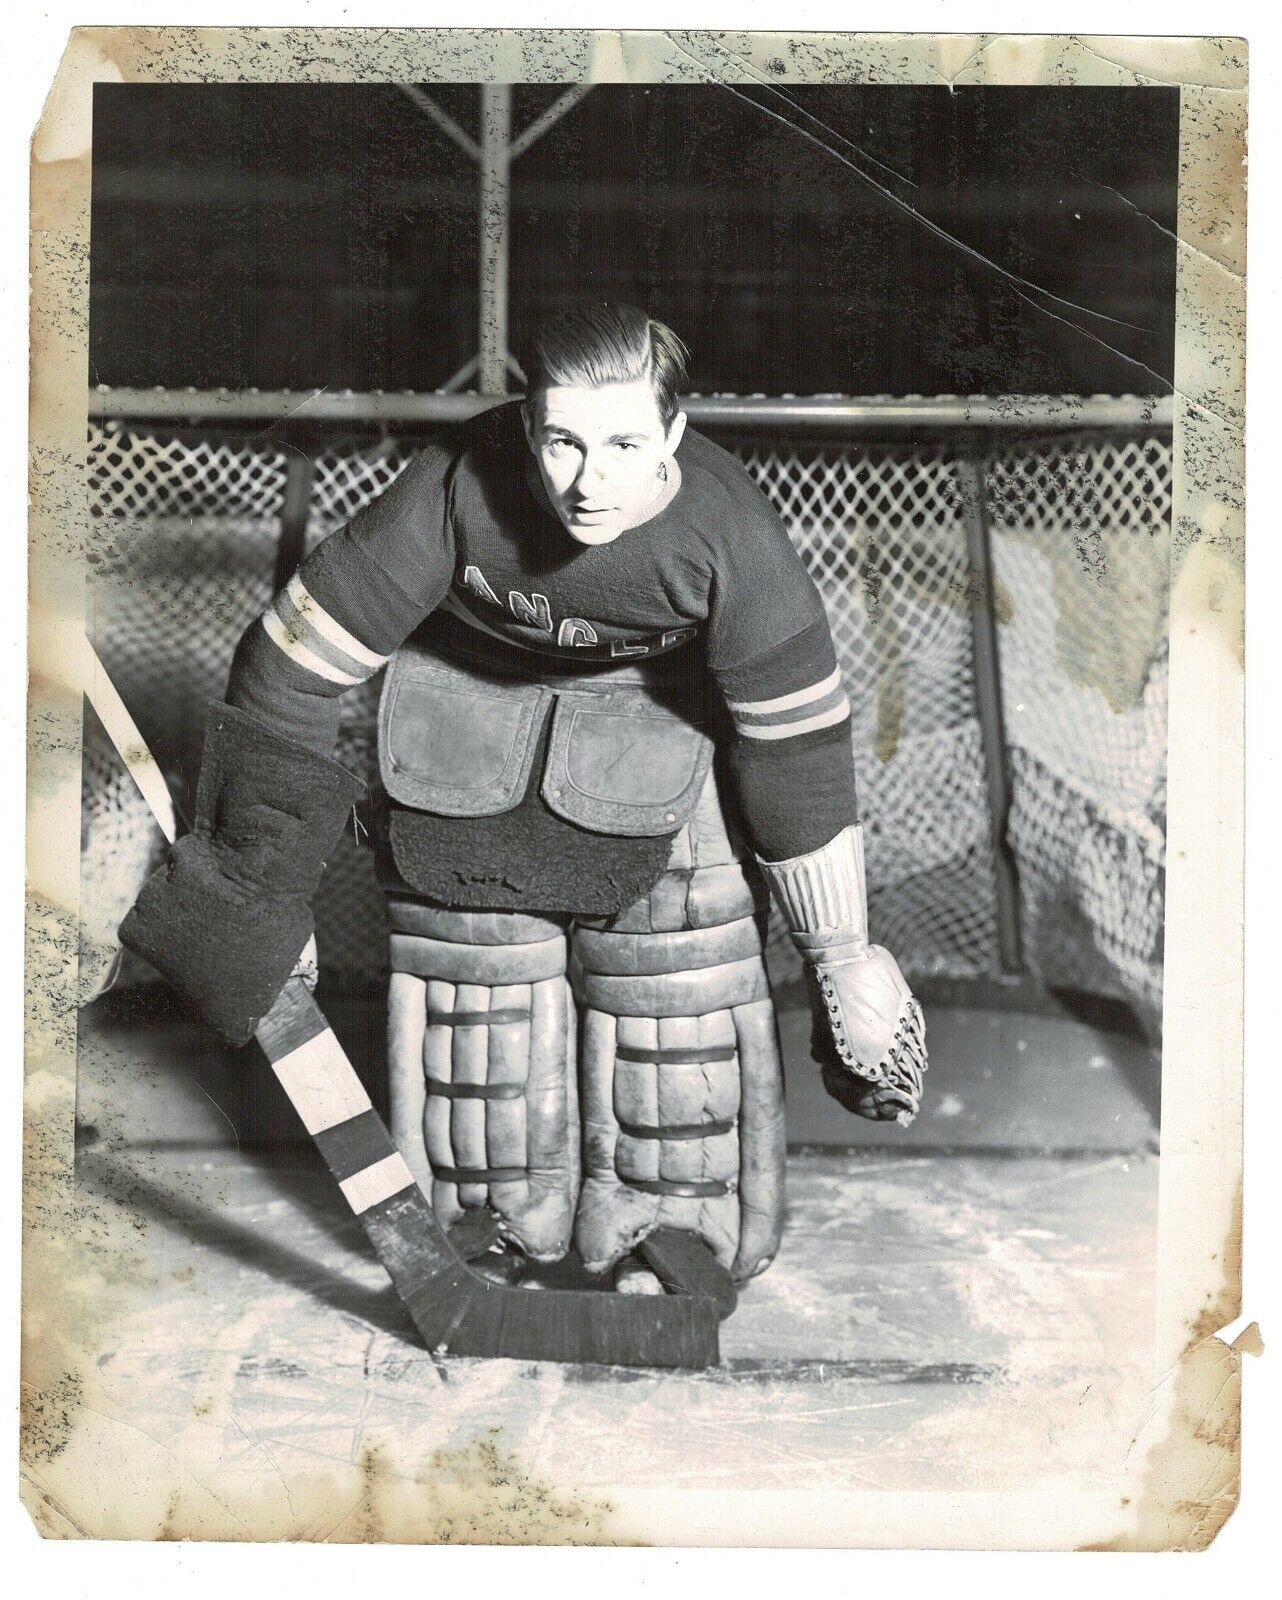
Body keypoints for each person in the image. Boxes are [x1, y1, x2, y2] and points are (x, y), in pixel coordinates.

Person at [122, 303, 926, 1298]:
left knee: (677, 993)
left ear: (673, 431)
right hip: (463, 713)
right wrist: (252, 883)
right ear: (525, 423)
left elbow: (796, 750)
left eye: (626, 443)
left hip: (662, 724)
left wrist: (840, 953)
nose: (589, 481)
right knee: (479, 1009)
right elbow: (289, 665)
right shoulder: (455, 489)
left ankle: (668, 1220)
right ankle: (487, 1214)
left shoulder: (733, 538)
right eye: (563, 441)